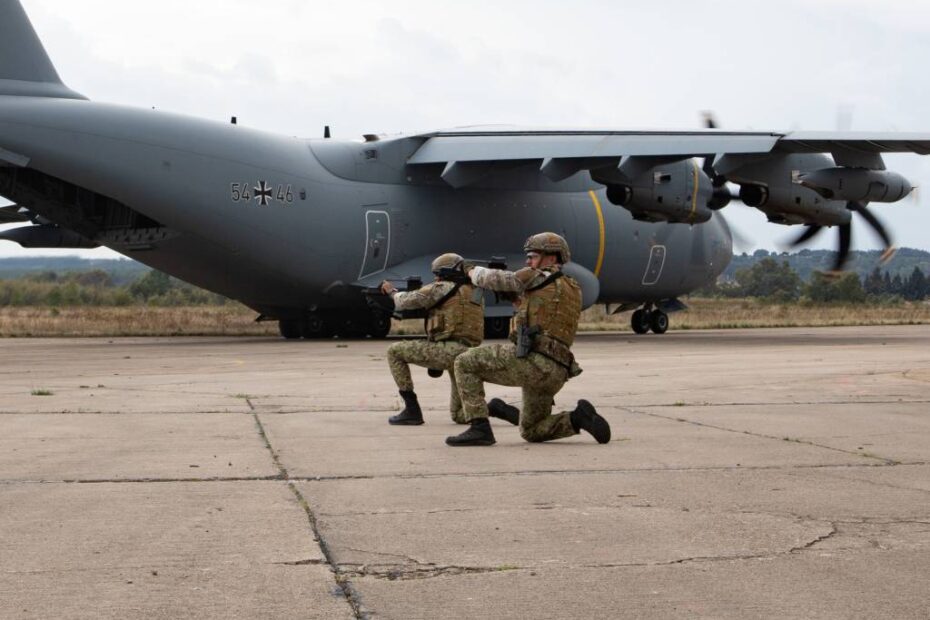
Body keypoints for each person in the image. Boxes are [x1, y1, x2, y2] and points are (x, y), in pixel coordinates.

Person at [446, 232, 610, 447]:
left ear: (551, 258)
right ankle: (578, 419)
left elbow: (497, 279)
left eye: (533, 256)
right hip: (557, 371)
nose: (528, 261)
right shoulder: (572, 287)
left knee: (464, 361)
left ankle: (480, 428)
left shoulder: (538, 275)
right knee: (531, 430)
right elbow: (543, 314)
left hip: (534, 363)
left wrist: (469, 270)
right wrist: (516, 300)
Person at [381, 253, 484, 425]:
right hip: (470, 354)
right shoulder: (475, 292)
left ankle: (411, 410)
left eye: (437, 274)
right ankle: (495, 407)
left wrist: (391, 291)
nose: (436, 278)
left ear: (445, 273)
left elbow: (405, 301)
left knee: (394, 352)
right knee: (459, 414)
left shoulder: (441, 288)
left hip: (450, 351)